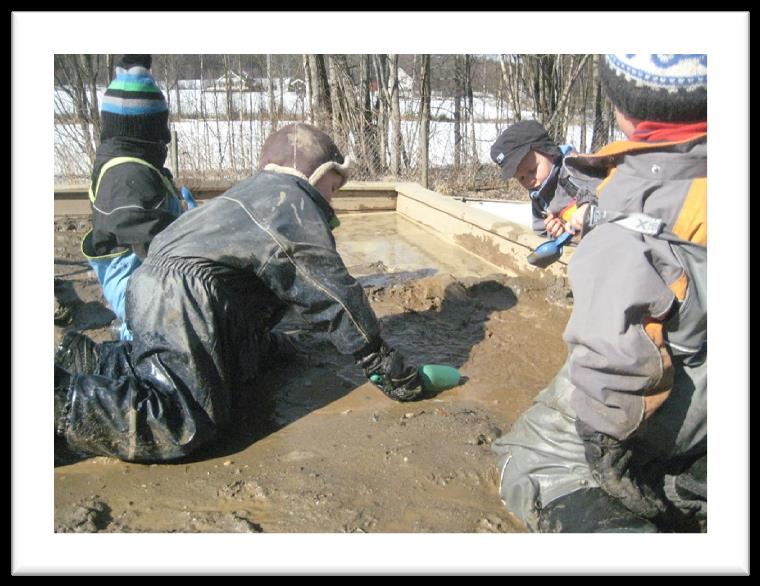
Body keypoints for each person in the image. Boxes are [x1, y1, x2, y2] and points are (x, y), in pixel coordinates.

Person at [54, 123, 425, 462]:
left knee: (222, 363)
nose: (333, 200)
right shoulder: (292, 201)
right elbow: (330, 290)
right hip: (185, 294)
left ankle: (96, 362)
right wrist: (379, 359)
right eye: (334, 187)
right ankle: (58, 397)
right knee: (182, 418)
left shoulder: (249, 193)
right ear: (316, 174)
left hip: (160, 284)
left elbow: (260, 282)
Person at [492, 54, 707, 532]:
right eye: (522, 178)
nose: (530, 180)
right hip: (677, 307)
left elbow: (617, 353)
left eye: (531, 168)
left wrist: (603, 439)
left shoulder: (613, 192)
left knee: (534, 458)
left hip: (656, 316)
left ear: (623, 112)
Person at [79, 54, 183, 340]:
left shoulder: (133, 167)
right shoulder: (127, 178)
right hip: (141, 299)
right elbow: (153, 244)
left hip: (143, 292)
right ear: (148, 130)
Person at [490, 120, 598, 238]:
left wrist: (587, 205)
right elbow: (541, 230)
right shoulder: (539, 195)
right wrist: (557, 228)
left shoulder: (575, 168)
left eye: (533, 170)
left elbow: (607, 187)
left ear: (548, 150)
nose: (529, 180)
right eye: (521, 178)